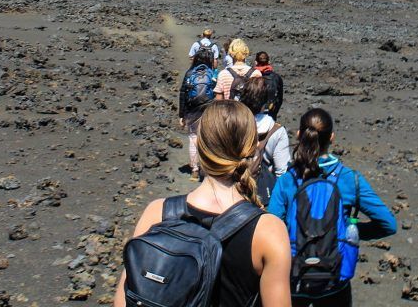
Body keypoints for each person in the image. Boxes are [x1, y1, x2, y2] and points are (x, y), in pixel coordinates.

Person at [114, 101, 293, 307]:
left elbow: (123, 299)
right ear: (252, 148)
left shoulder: (157, 213)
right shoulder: (269, 231)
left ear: (200, 145)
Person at [267, 108, 397, 307]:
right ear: (332, 138)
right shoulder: (349, 179)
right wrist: (343, 231)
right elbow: (388, 224)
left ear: (300, 135)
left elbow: (272, 228)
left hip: (295, 279)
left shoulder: (287, 180)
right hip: (334, 281)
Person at [240, 77, 290, 206]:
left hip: (235, 191)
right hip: (263, 195)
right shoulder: (277, 131)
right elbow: (281, 172)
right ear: (266, 102)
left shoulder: (234, 124)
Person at [179, 58, 219, 181]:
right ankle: (206, 169)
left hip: (192, 110)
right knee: (207, 139)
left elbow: (183, 93)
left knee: (193, 139)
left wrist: (182, 114)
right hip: (209, 109)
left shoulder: (190, 73)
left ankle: (195, 170)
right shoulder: (213, 73)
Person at [254, 51, 284, 119]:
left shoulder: (253, 76)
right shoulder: (277, 77)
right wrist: (274, 113)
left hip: (255, 113)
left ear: (256, 62)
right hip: (271, 112)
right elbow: (280, 99)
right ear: (269, 62)